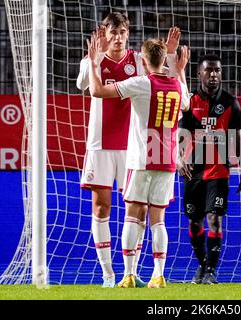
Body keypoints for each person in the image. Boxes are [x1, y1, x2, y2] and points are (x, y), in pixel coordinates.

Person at [76, 12, 181, 288]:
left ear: (127, 34)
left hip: (132, 148)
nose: (119, 37)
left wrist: (169, 56)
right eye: (114, 32)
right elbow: (83, 85)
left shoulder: (137, 60)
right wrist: (94, 60)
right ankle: (108, 274)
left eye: (123, 32)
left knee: (138, 210)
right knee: (102, 207)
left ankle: (133, 272)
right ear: (104, 33)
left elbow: (160, 77)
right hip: (99, 144)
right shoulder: (91, 59)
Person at [177, 53, 241, 284]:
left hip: (219, 171)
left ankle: (210, 270)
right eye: (208, 70)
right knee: (194, 222)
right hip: (193, 171)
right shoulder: (189, 102)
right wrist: (179, 158)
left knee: (214, 219)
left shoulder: (230, 103)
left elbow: (240, 141)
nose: (213, 74)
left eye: (217, 70)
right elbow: (180, 134)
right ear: (199, 74)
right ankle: (202, 265)